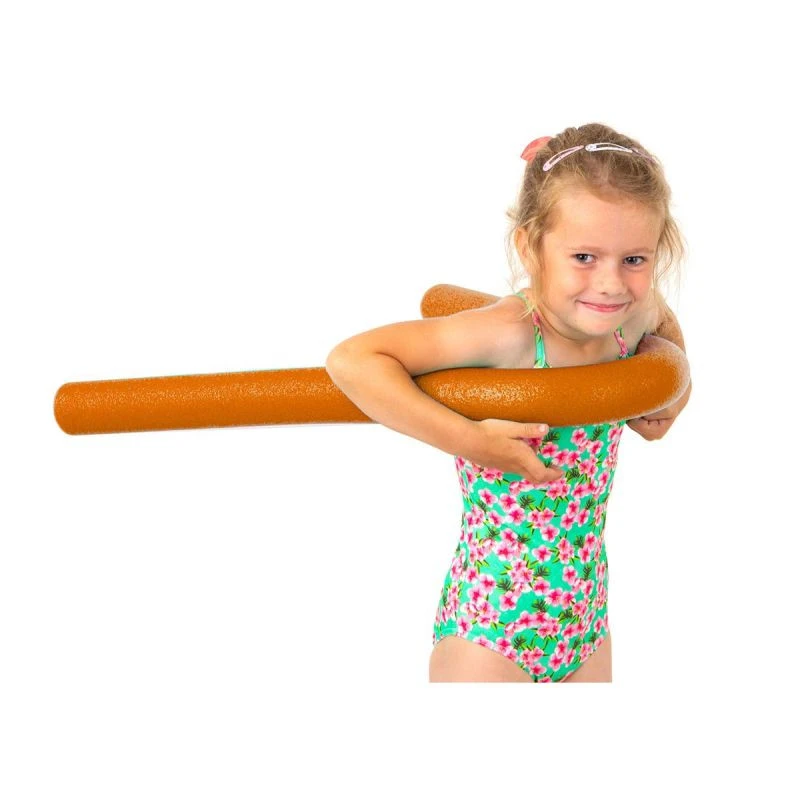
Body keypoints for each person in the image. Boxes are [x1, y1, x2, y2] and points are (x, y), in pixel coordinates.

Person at [325, 122, 691, 683]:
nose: (612, 284)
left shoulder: (629, 321)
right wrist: (471, 440)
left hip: (585, 622)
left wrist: (672, 394)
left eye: (635, 260)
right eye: (585, 256)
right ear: (529, 246)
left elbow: (662, 319)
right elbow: (353, 359)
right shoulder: (510, 332)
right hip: (490, 627)